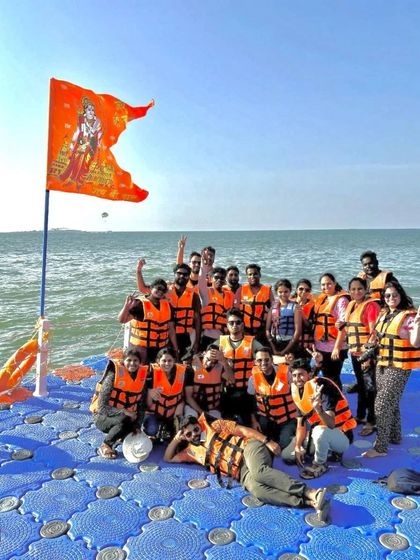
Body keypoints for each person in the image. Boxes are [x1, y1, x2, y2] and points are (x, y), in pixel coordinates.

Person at [163, 413, 330, 519]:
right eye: (188, 434)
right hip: (241, 473)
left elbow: (244, 431)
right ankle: (308, 503)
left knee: (259, 473)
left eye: (195, 429)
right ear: (184, 437)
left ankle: (310, 492)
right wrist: (177, 439)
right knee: (258, 491)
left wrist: (268, 441)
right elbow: (168, 458)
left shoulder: (215, 425)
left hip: (250, 449)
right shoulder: (191, 452)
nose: (194, 434)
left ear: (199, 425)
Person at [362, 282, 420, 458]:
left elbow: (416, 343)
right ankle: (395, 436)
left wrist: (417, 324)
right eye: (387, 296)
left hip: (399, 367)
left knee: (381, 405)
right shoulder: (385, 314)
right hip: (382, 363)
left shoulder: (409, 317)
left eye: (394, 295)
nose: (391, 298)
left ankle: (381, 448)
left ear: (401, 295)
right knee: (391, 402)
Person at [282, 360, 356, 479]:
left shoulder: (323, 387)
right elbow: (300, 424)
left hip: (340, 435)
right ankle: (323, 451)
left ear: (310, 374)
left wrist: (318, 408)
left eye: (301, 374)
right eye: (294, 375)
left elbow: (331, 424)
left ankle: (320, 464)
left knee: (319, 432)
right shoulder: (298, 391)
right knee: (288, 456)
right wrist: (298, 446)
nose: (297, 379)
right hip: (318, 434)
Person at [334, 277, 381, 434]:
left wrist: (368, 356)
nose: (356, 292)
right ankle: (361, 416)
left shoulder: (371, 306)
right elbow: (346, 328)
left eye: (359, 288)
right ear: (349, 291)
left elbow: (374, 333)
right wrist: (338, 343)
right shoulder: (352, 305)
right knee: (361, 385)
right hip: (354, 352)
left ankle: (372, 420)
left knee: (369, 387)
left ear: (366, 289)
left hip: (366, 354)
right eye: (353, 289)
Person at [135, 260, 202, 360]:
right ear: (174, 274)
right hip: (167, 335)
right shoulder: (165, 291)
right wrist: (139, 270)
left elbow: (197, 320)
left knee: (184, 361)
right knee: (167, 362)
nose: (182, 276)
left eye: (185, 274)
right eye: (179, 273)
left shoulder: (194, 296)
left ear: (189, 276)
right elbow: (143, 289)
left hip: (186, 335)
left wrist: (197, 342)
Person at [90, 349, 148, 459]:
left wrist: (137, 426)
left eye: (135, 360)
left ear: (140, 362)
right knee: (123, 420)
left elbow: (141, 405)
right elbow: (102, 407)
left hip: (127, 417)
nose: (132, 363)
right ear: (123, 361)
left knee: (134, 430)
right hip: (102, 417)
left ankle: (122, 434)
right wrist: (124, 412)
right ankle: (106, 444)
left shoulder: (141, 378)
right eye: (129, 360)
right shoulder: (113, 376)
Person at [218, 308, 263, 425]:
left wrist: (284, 359)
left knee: (248, 423)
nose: (235, 325)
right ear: (227, 325)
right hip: (227, 392)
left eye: (238, 322)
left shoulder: (252, 343)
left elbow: (265, 355)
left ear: (243, 325)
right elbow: (207, 358)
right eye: (231, 323)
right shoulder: (220, 342)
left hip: (246, 393)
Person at [118, 279, 178, 364]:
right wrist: (126, 306)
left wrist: (175, 349)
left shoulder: (168, 306)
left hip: (160, 348)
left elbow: (171, 330)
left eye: (163, 290)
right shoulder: (139, 304)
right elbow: (122, 320)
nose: (160, 291)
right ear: (151, 288)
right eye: (158, 288)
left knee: (159, 371)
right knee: (143, 371)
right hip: (141, 348)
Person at [248, 347, 297, 450]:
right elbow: (251, 401)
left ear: (272, 359)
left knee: (284, 446)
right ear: (255, 362)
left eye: (266, 359)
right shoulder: (253, 379)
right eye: (259, 360)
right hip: (267, 419)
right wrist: (254, 421)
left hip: (287, 419)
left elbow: (299, 390)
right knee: (263, 445)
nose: (263, 363)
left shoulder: (286, 373)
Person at [144, 347, 193, 439]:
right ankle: (152, 430)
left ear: (174, 360)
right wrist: (149, 392)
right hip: (154, 412)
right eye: (164, 361)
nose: (167, 363)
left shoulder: (185, 372)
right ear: (158, 361)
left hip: (174, 412)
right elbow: (141, 394)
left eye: (170, 360)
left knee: (177, 434)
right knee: (151, 430)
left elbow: (185, 396)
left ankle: (166, 429)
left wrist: (180, 408)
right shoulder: (151, 373)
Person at [312, 273, 350, 389]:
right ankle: (329, 401)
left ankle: (337, 402)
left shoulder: (341, 301)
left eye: (329, 283)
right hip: (320, 346)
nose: (326, 287)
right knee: (325, 376)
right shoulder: (322, 300)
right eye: (323, 284)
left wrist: (337, 348)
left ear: (335, 283)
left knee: (333, 378)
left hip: (335, 347)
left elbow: (343, 326)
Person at [60, 96, 102, 186]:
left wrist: (98, 143)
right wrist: (72, 143)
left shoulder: (97, 122)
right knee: (75, 160)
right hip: (81, 142)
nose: (91, 111)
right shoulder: (81, 119)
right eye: (89, 109)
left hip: (91, 145)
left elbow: (99, 134)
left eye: (92, 110)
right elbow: (77, 131)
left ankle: (79, 181)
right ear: (85, 111)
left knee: (86, 164)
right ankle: (69, 178)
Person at [184, 345, 234, 418]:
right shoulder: (192, 368)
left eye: (214, 362)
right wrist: (202, 412)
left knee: (217, 426)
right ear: (204, 353)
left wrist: (224, 361)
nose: (210, 363)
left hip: (212, 409)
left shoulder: (220, 367)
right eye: (208, 359)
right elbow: (188, 398)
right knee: (191, 421)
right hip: (193, 407)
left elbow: (232, 380)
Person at [198, 249, 234, 349]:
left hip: (223, 337)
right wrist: (203, 264)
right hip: (207, 337)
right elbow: (200, 280)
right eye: (216, 277)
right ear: (210, 279)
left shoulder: (229, 295)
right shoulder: (206, 293)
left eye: (222, 278)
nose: (219, 280)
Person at [235, 264, 274, 343]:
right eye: (250, 274)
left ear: (259, 275)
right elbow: (235, 311)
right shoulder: (240, 290)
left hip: (262, 330)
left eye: (255, 274)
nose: (252, 276)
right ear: (247, 276)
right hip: (245, 330)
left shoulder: (267, 290)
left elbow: (274, 309)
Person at [266, 279, 302, 356]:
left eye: (286, 291)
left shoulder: (295, 307)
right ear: (276, 292)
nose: (283, 294)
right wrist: (273, 348)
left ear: (290, 291)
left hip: (290, 343)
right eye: (280, 292)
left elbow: (298, 331)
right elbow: (267, 329)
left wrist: (285, 351)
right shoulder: (273, 307)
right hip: (275, 343)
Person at [293, 279, 316, 349]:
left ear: (309, 292)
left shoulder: (313, 306)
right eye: (301, 289)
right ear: (296, 290)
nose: (304, 291)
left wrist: (302, 314)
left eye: (307, 290)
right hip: (289, 340)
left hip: (305, 342)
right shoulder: (289, 303)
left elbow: (311, 327)